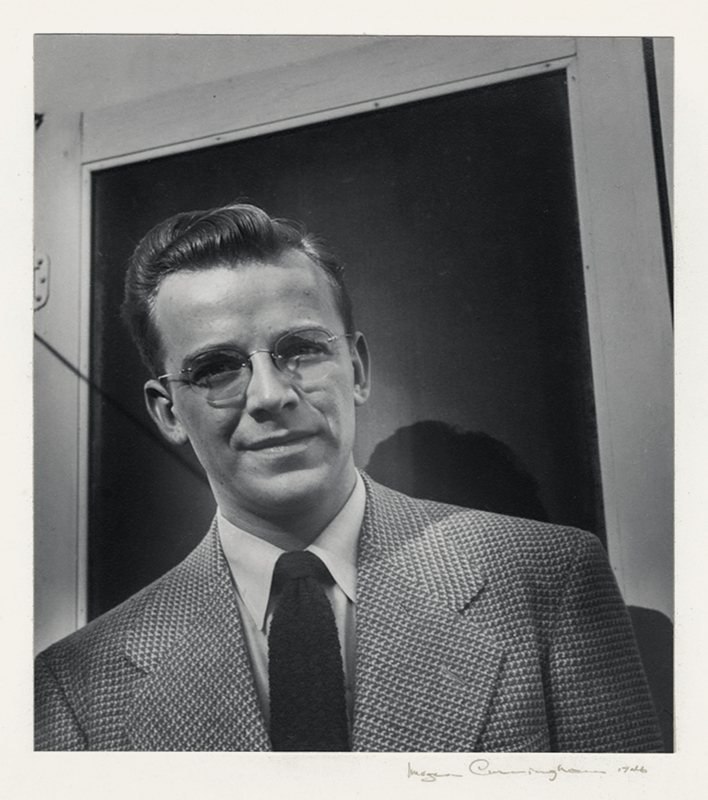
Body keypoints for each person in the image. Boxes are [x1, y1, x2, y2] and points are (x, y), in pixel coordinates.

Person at [35, 203, 663, 752]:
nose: (271, 394)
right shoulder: (76, 688)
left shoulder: (549, 581)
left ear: (356, 369)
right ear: (170, 411)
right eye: (217, 368)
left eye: (301, 350)